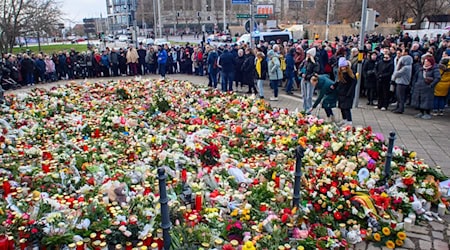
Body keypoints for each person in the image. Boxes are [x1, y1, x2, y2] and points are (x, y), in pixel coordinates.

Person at [335, 57, 357, 126]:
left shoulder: (350, 73)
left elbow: (353, 84)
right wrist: (334, 86)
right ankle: (344, 119)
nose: (343, 68)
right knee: (341, 107)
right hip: (341, 92)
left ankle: (349, 121)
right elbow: (338, 82)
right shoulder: (340, 73)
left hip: (347, 93)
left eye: (344, 66)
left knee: (346, 108)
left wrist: (349, 93)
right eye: (341, 67)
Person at [300, 47, 320, 112]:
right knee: (304, 95)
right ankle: (304, 108)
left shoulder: (315, 63)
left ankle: (309, 109)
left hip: (310, 80)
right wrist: (300, 74)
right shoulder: (305, 61)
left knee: (309, 96)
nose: (307, 55)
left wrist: (307, 76)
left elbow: (315, 72)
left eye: (309, 54)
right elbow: (300, 68)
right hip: (303, 79)